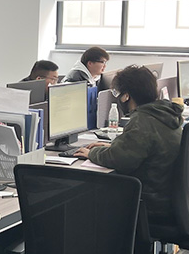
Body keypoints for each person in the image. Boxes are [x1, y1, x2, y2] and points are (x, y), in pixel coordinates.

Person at [75, 66, 183, 215]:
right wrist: (112, 146)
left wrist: (91, 153)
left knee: (84, 200)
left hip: (148, 201)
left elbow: (118, 159)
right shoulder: (165, 114)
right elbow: (144, 146)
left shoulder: (142, 121)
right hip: (165, 195)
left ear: (126, 96)